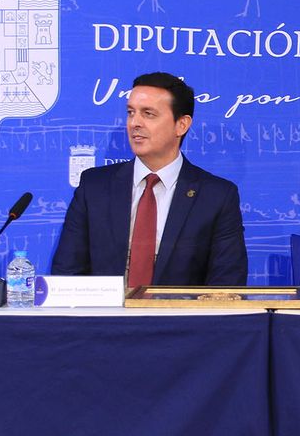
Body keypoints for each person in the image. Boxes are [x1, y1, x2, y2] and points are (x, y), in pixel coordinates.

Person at [51, 71, 248, 286]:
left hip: (180, 319)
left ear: (181, 125)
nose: (134, 123)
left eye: (148, 114)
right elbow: (66, 275)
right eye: (130, 112)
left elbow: (226, 285)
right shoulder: (94, 187)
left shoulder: (216, 196)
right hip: (104, 318)